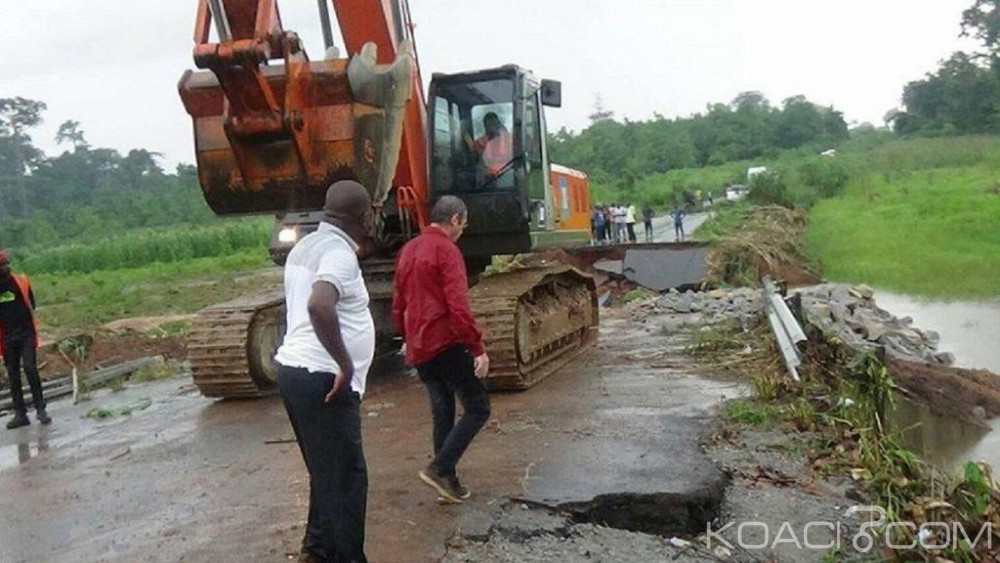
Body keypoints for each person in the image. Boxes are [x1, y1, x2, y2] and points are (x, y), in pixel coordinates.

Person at [273, 180, 375, 563]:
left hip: (295, 371)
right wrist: (345, 364)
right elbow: (319, 305)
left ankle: (316, 551)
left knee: (325, 471)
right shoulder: (338, 254)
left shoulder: (304, 246)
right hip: (323, 379)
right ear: (363, 217)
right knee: (348, 480)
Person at [392, 195, 491, 504]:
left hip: (419, 345)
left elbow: (398, 303)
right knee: (478, 406)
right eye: (464, 223)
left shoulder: (408, 250)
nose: (463, 230)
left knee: (442, 408)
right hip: (445, 341)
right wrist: (477, 348)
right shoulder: (447, 251)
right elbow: (458, 307)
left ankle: (447, 482)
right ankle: (440, 468)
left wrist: (405, 335)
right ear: (456, 220)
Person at [0, 250, 50, 429]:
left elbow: (32, 305)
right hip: (7, 338)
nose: (5, 267)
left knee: (30, 367)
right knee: (13, 375)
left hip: (26, 334)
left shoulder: (21, 281)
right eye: (2, 265)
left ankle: (41, 409)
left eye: (6, 263)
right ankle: (20, 414)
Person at [464, 112, 512, 178]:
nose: (491, 127)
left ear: (498, 124)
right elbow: (474, 161)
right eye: (488, 124)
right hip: (488, 181)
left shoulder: (510, 139)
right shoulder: (479, 143)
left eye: (493, 124)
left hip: (509, 177)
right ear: (485, 126)